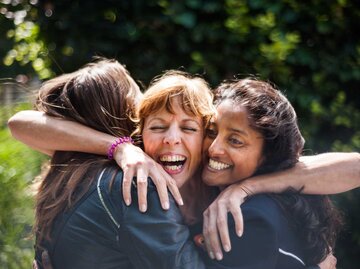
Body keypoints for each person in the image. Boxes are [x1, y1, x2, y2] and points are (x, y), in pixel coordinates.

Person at [29, 59, 214, 268]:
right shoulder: (137, 185)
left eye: (188, 128)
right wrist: (119, 146)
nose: (171, 138)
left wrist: (249, 187)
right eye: (156, 125)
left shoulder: (77, 174)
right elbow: (20, 123)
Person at [198, 78, 343, 268]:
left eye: (235, 141)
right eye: (211, 132)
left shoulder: (249, 217)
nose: (214, 149)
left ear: (267, 155)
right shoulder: (282, 200)